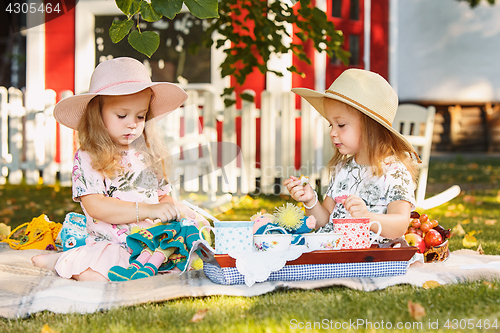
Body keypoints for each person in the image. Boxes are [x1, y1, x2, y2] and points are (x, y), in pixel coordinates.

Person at [32, 57, 205, 281]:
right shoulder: (88, 156)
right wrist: (148, 210)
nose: (132, 123)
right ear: (98, 116)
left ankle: (71, 260)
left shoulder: (148, 153)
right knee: (99, 275)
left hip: (149, 241)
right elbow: (95, 206)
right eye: (122, 115)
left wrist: (175, 209)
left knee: (178, 261)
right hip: (111, 242)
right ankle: (64, 260)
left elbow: (162, 196)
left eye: (140, 116)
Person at [284, 69, 420, 243]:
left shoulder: (395, 173)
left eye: (340, 124)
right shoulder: (342, 169)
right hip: (335, 252)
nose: (333, 133)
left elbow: (400, 224)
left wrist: (367, 217)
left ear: (370, 127)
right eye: (330, 125)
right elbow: (324, 220)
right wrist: (310, 200)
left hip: (372, 256)